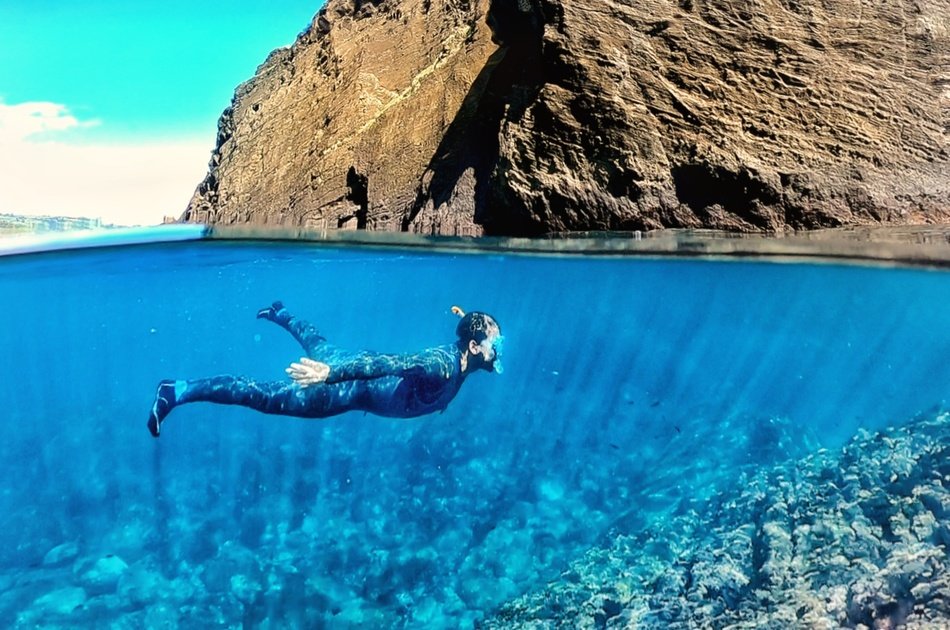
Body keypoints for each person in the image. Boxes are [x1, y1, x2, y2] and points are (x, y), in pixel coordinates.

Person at [147, 302, 503, 437]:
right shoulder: (441, 365)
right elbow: (390, 364)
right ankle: (175, 390)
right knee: (264, 397)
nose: (498, 349)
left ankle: (280, 312)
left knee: (319, 345)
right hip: (340, 390)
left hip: (350, 369)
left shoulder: (463, 362)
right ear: (473, 347)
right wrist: (328, 376)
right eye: (494, 344)